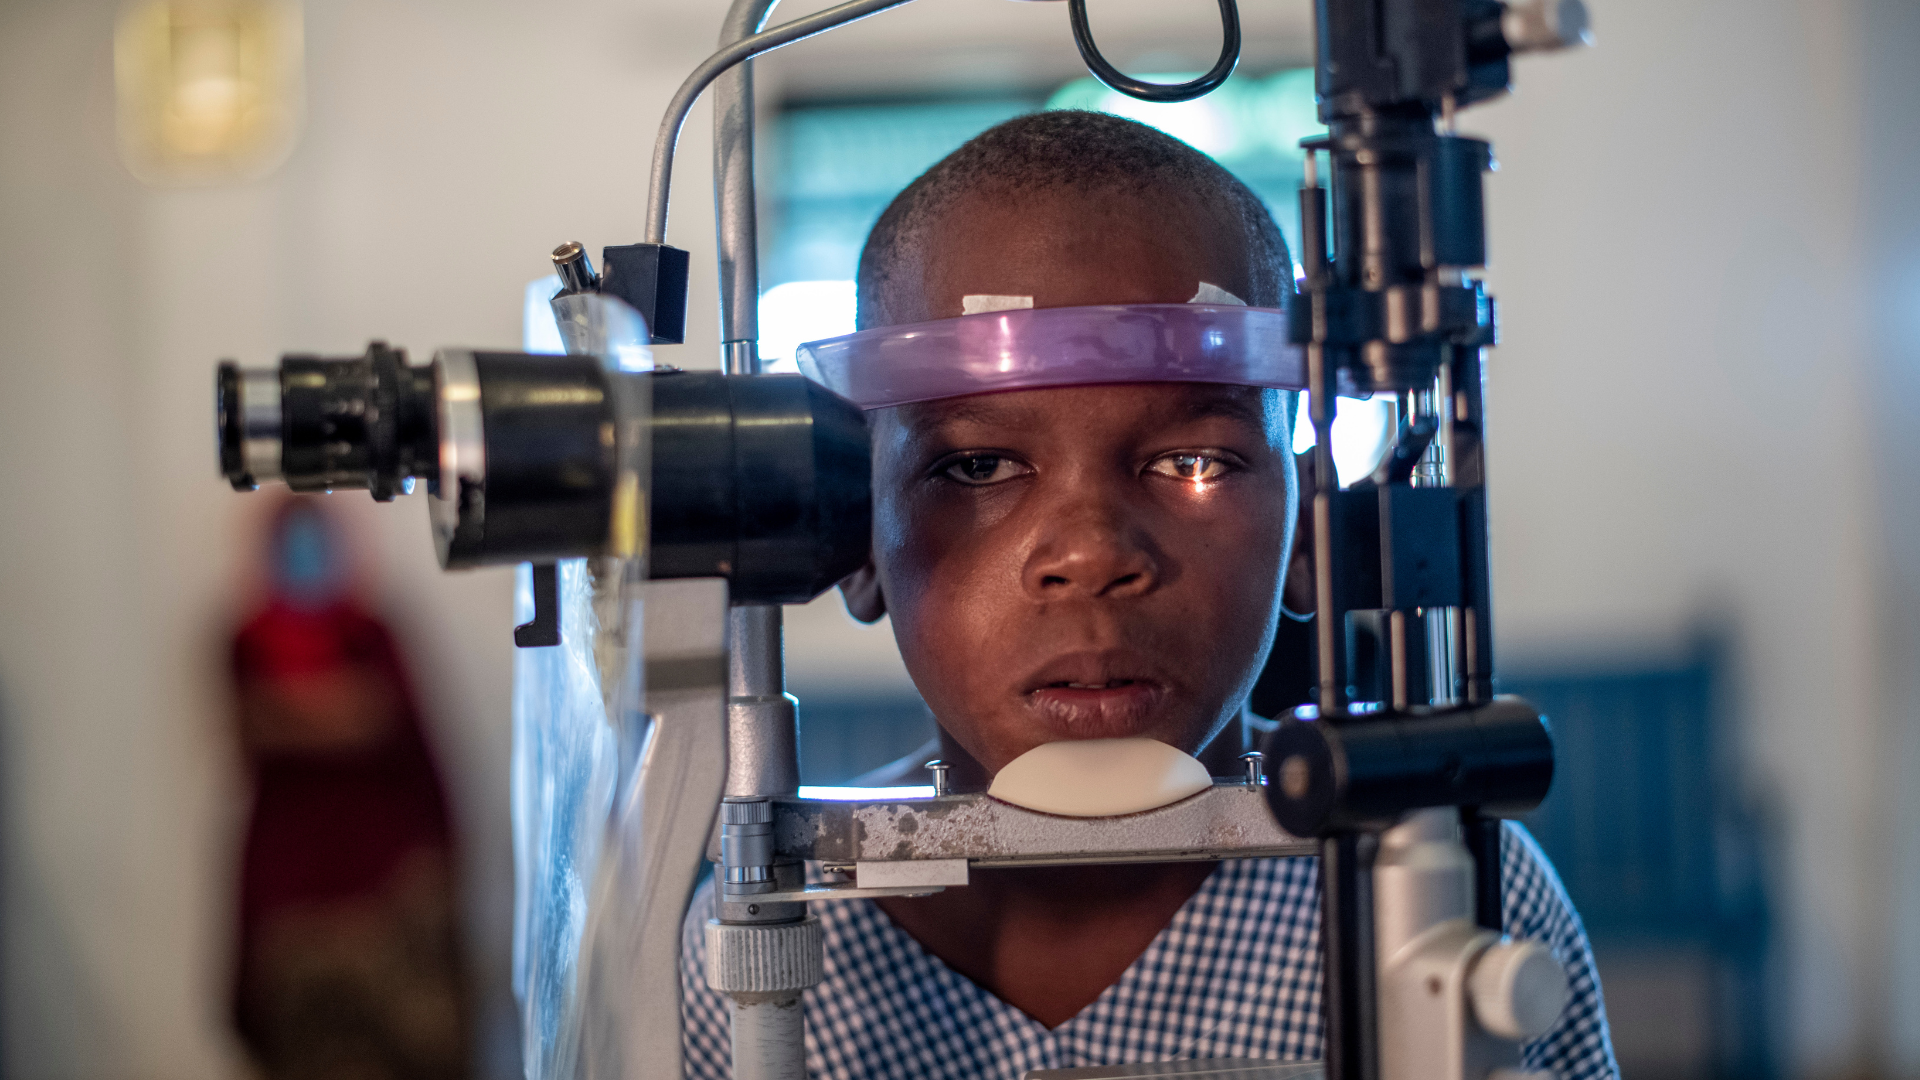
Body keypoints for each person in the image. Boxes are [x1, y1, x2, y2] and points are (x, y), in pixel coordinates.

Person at [680, 110, 1617, 1079]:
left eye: (1193, 460)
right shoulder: (745, 944)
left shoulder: (1439, 901)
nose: (1090, 555)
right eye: (977, 467)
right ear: (856, 538)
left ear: (1309, 533)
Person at [229, 497, 471, 1080]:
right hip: (297, 923)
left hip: (391, 905)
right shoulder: (249, 642)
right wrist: (342, 710)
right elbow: (260, 722)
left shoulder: (372, 634)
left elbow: (393, 729)